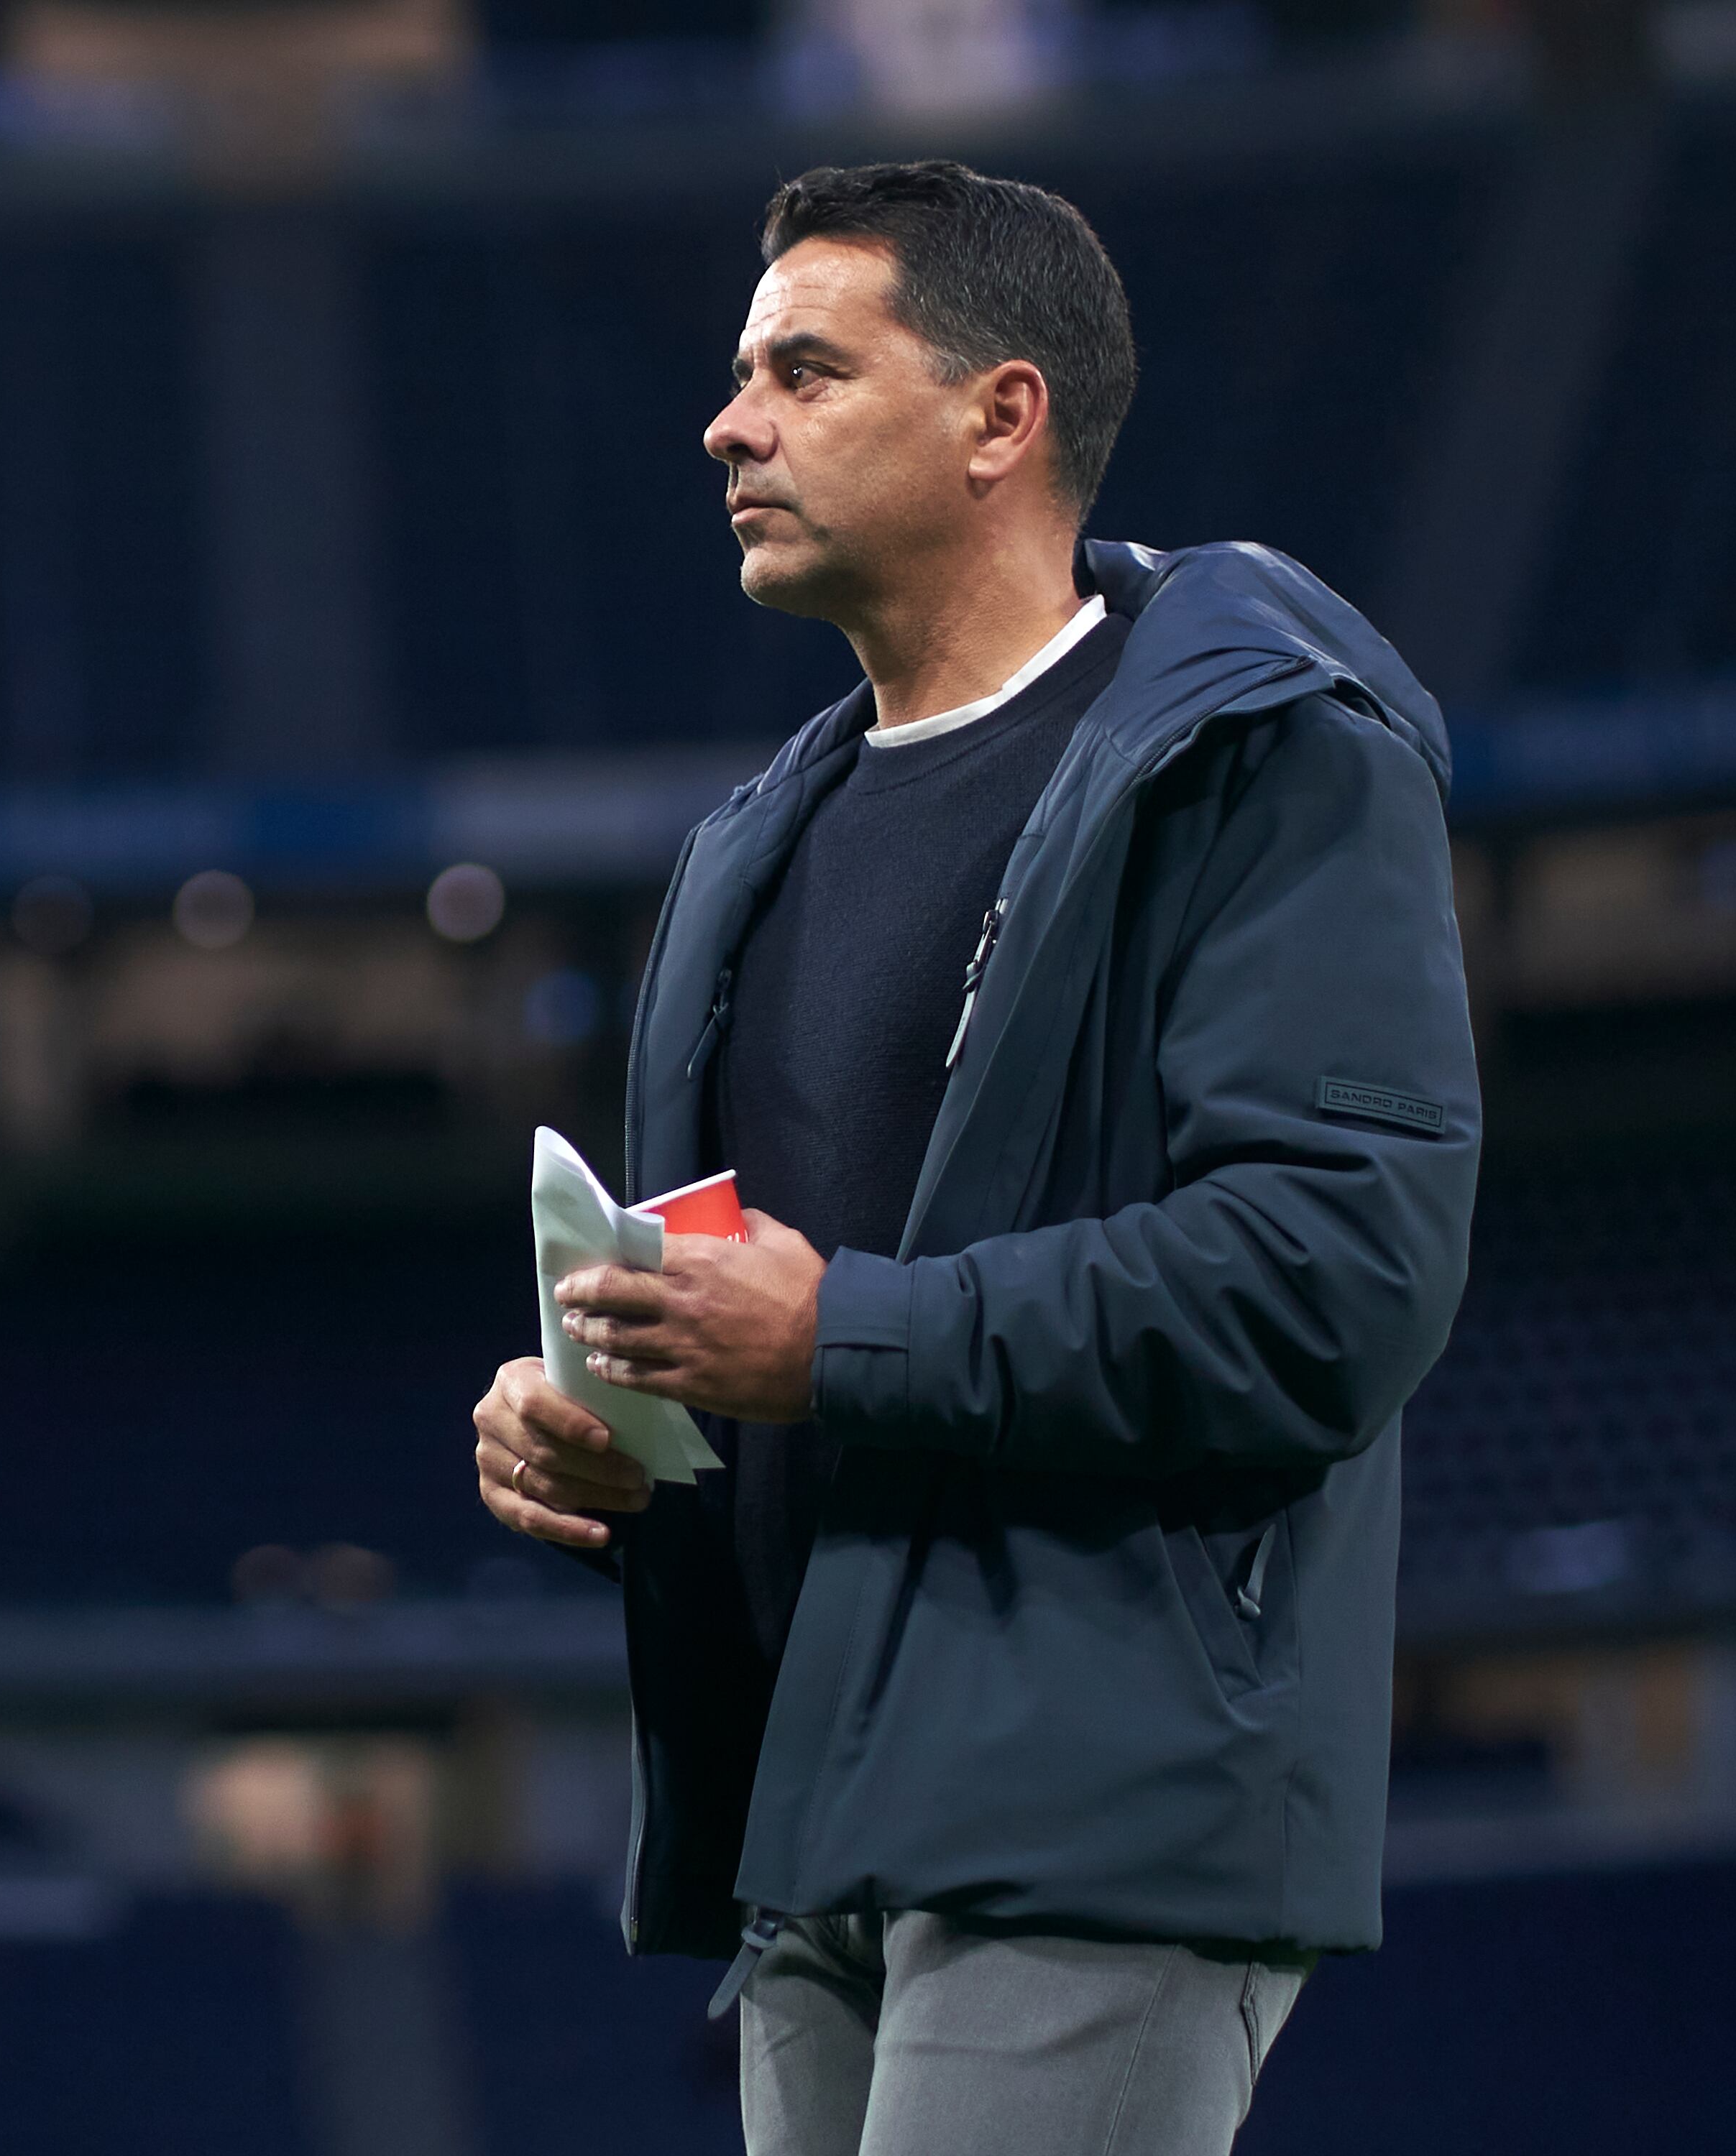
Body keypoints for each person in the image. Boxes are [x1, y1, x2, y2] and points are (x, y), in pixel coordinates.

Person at [468, 160, 1479, 2155]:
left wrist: (833, 1339)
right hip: (805, 1792)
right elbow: (772, 1303)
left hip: (1092, 1767)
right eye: (741, 375)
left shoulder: (1262, 754)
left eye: (803, 371)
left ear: (999, 419)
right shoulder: (760, 838)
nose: (727, 422)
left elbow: (1334, 1276)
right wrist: (610, 1408)